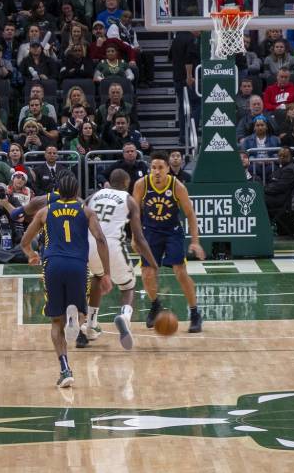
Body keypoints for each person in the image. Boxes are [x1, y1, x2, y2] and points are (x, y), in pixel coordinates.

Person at [21, 173, 111, 388]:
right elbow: (100, 239)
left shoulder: (45, 211)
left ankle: (65, 369)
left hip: (53, 264)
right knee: (81, 309)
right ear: (77, 192)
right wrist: (106, 273)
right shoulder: (86, 211)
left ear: (57, 192)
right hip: (77, 265)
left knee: (55, 321)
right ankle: (77, 319)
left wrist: (31, 255)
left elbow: (24, 242)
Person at [79, 169, 158, 351]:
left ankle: (91, 325)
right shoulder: (129, 199)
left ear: (110, 181)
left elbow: (79, 214)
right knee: (128, 285)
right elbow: (139, 238)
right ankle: (124, 316)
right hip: (111, 246)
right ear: (127, 183)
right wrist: (152, 262)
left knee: (97, 278)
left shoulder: (95, 195)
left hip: (88, 245)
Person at [133, 151, 206, 333]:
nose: (157, 171)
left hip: (172, 232)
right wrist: (135, 237)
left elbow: (190, 214)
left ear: (167, 169)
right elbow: (134, 213)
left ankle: (195, 313)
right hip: (150, 232)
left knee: (180, 272)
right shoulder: (141, 184)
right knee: (147, 273)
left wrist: (195, 242)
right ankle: (155, 304)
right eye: (153, 168)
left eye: (160, 168)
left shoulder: (177, 186)